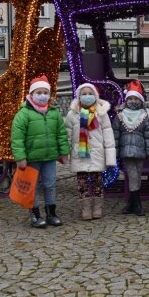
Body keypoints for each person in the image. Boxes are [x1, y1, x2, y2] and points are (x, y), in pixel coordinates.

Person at [10, 75, 70, 228]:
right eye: (39, 92)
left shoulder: (54, 113)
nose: (42, 95)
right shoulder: (23, 114)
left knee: (50, 184)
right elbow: (17, 139)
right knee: (33, 186)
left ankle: (51, 213)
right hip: (31, 158)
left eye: (45, 92)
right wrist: (20, 157)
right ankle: (35, 214)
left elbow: (61, 134)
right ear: (31, 94)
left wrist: (63, 153)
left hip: (49, 157)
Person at [64, 83, 116, 220]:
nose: (87, 96)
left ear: (96, 96)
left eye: (90, 93)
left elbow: (108, 136)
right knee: (82, 183)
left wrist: (110, 157)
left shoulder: (101, 114)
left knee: (98, 182)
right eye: (84, 94)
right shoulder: (72, 114)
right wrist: (65, 153)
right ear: (79, 96)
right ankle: (85, 208)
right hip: (80, 154)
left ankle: (97, 207)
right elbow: (68, 136)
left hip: (97, 154)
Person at [113, 80, 149, 216]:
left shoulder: (145, 115)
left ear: (140, 99)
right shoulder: (120, 115)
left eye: (135, 98)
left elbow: (148, 135)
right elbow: (116, 135)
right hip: (126, 151)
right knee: (132, 175)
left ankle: (131, 203)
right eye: (130, 98)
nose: (132, 100)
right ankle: (137, 204)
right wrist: (115, 151)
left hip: (140, 151)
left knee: (136, 175)